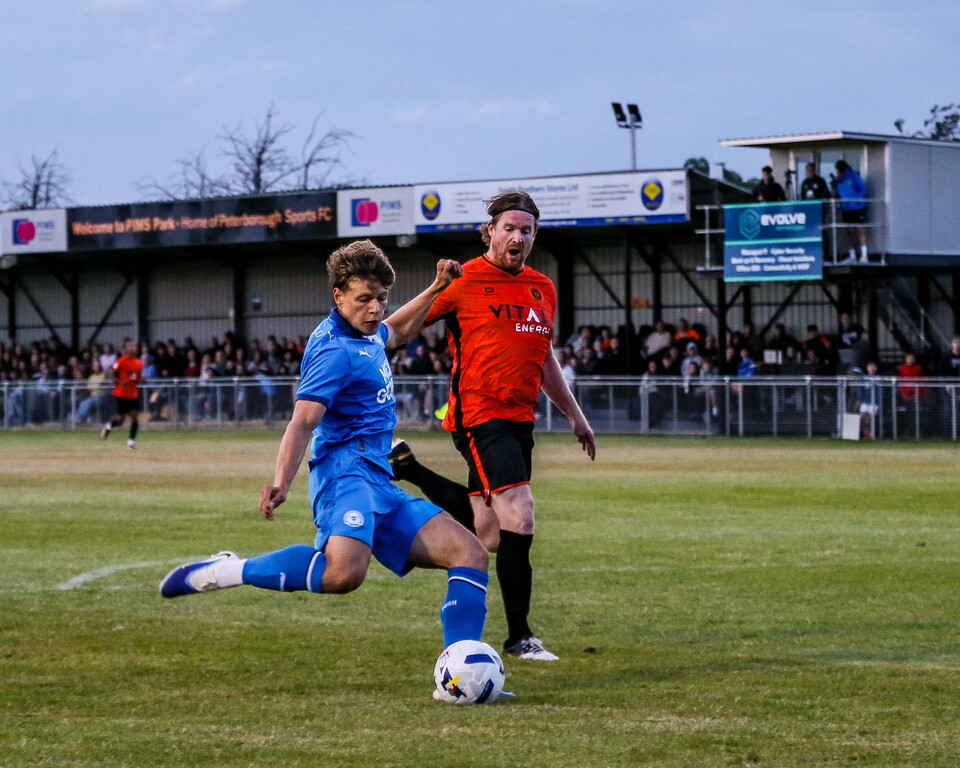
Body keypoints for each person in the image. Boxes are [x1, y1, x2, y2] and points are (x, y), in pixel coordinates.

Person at [160, 240, 492, 658]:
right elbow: (302, 422)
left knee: (470, 553)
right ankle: (230, 569)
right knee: (342, 574)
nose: (375, 309)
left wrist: (436, 287)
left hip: (380, 476)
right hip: (344, 473)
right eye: (364, 299)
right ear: (339, 297)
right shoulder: (334, 351)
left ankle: (459, 670)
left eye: (381, 299)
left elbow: (399, 329)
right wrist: (281, 482)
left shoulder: (366, 332)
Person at [391, 190, 597, 662]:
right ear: (490, 231)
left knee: (486, 533)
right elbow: (401, 328)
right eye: (509, 228)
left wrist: (574, 413)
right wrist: (376, 336)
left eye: (527, 230)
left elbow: (543, 358)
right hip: (480, 418)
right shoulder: (463, 280)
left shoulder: (542, 287)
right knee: (520, 514)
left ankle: (410, 470)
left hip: (520, 421)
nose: (518, 237)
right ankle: (519, 637)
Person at [100, 339, 144, 448]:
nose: (134, 348)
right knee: (120, 420)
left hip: (133, 394)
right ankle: (109, 426)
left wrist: (141, 379)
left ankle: (131, 442)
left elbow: (136, 377)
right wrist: (120, 381)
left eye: (135, 347)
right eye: (131, 347)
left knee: (134, 416)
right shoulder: (121, 361)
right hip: (121, 394)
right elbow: (111, 374)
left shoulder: (138, 363)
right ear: (126, 349)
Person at [830, 159, 869, 263]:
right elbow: (838, 194)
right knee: (848, 231)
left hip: (858, 207)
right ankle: (852, 255)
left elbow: (863, 189)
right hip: (846, 208)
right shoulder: (839, 180)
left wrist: (858, 201)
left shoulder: (853, 176)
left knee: (860, 230)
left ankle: (864, 255)